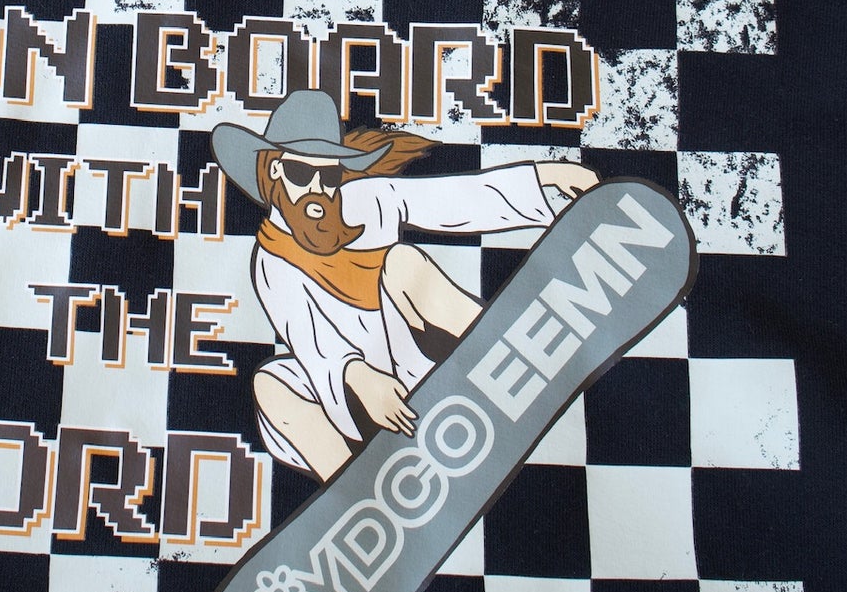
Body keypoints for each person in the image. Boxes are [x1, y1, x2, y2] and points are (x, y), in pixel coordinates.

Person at [212, 89, 598, 481]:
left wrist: (548, 176)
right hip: (350, 401)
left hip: (413, 374)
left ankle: (502, 356)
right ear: (274, 170)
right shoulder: (271, 262)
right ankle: (350, 491)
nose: (317, 189)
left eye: (328, 176)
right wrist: (356, 376)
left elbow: (455, 200)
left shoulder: (369, 200)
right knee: (270, 385)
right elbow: (310, 342)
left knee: (402, 261)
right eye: (300, 173)